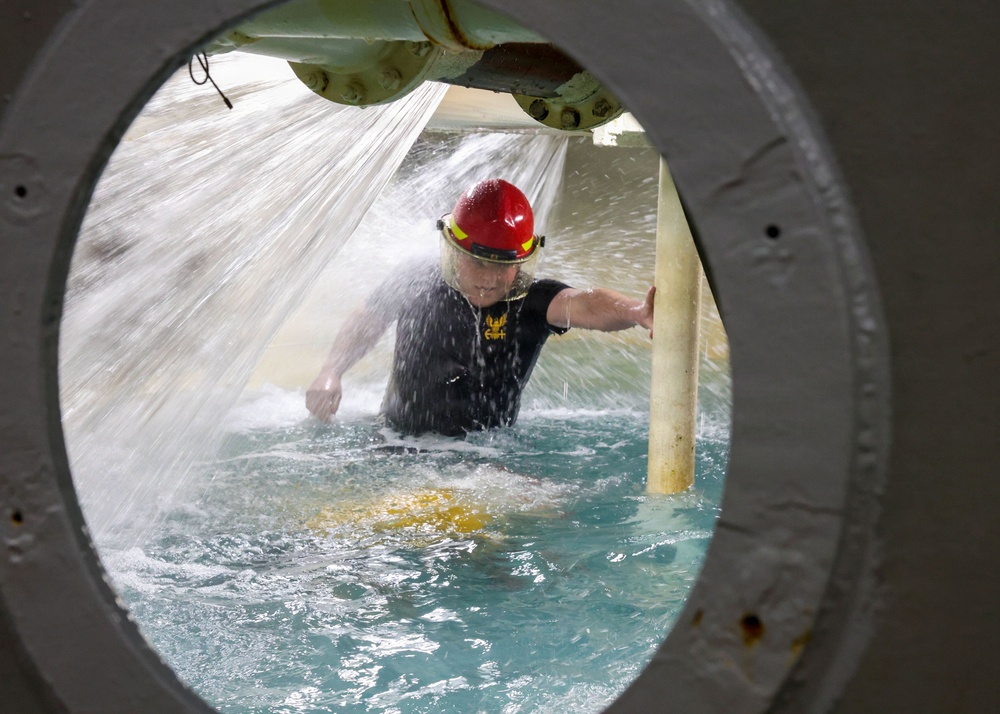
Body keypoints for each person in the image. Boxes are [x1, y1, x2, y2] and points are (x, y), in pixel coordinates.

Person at [306, 178, 654, 436]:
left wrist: (636, 312)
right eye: (477, 263)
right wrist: (331, 372)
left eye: (504, 267)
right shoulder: (417, 280)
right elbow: (369, 318)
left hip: (484, 456)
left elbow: (585, 303)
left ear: (522, 262)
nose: (489, 279)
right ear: (454, 251)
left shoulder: (531, 302)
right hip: (394, 441)